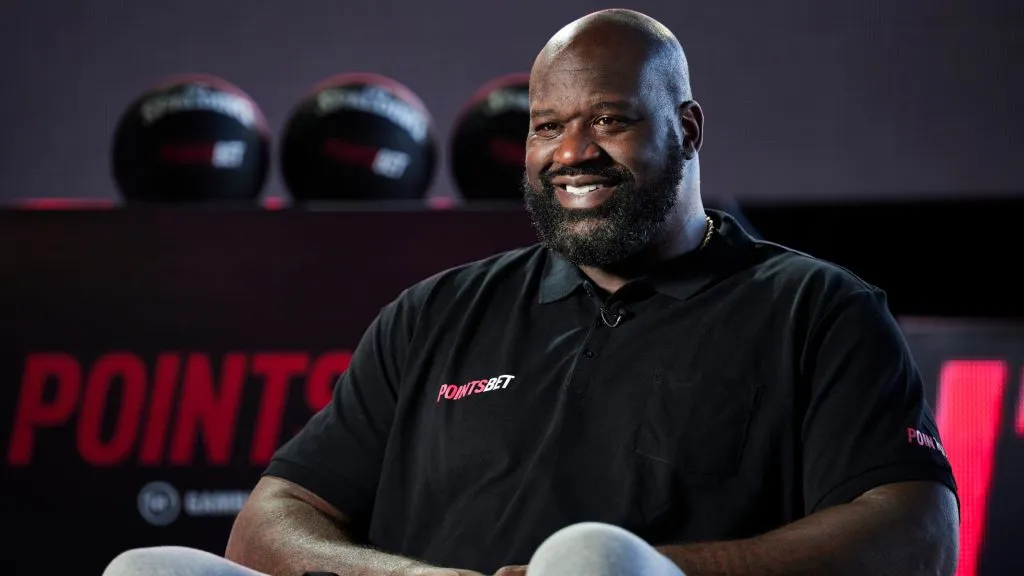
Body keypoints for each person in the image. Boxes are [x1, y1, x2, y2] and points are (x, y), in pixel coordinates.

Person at [103, 8, 959, 576]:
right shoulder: (435, 313)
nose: (570, 151)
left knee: (587, 559)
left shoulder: (814, 308)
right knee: (144, 570)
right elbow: (271, 521)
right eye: (547, 125)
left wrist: (655, 571)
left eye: (609, 120)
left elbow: (918, 529)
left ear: (687, 129)